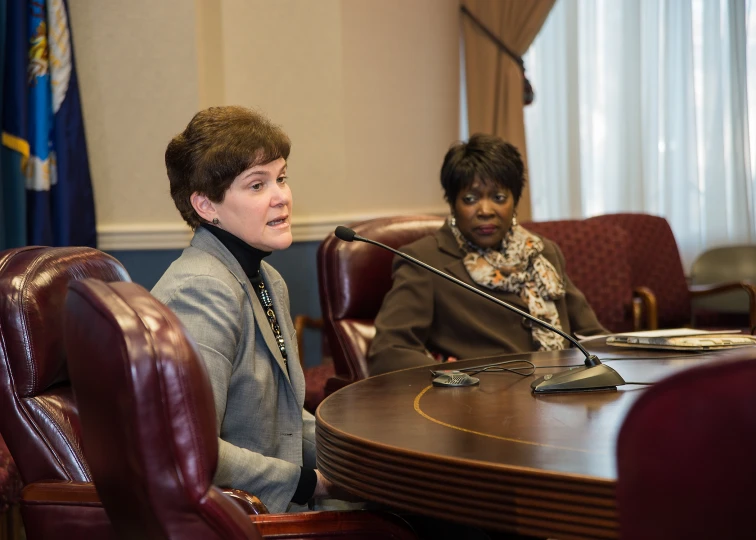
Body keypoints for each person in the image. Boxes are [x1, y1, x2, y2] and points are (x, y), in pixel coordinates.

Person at [152, 106, 346, 513]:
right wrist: (313, 484)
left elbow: (284, 426)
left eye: (282, 178)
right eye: (257, 185)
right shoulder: (202, 290)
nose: (282, 197)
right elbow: (192, 450)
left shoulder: (265, 278)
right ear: (206, 206)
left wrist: (363, 458)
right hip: (240, 519)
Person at [368, 134, 608, 376]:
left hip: (562, 390)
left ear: (514, 203)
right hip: (482, 402)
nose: (485, 210)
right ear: (452, 204)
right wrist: (455, 377)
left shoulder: (543, 253)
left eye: (498, 198)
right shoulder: (425, 261)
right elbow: (389, 351)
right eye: (470, 199)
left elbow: (592, 336)